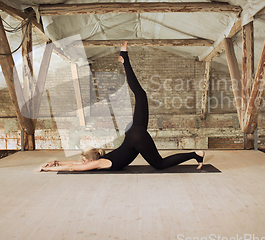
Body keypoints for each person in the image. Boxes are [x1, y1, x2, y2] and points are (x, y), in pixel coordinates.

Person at [37, 41, 204, 172]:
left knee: (159, 164)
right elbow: (75, 164)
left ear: (92, 160)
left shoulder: (99, 163)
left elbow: (74, 167)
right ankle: (124, 59)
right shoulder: (97, 161)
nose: (82, 162)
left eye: (84, 160)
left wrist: (49, 167)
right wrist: (56, 162)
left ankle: (195, 154)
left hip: (135, 135)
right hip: (133, 134)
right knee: (141, 95)